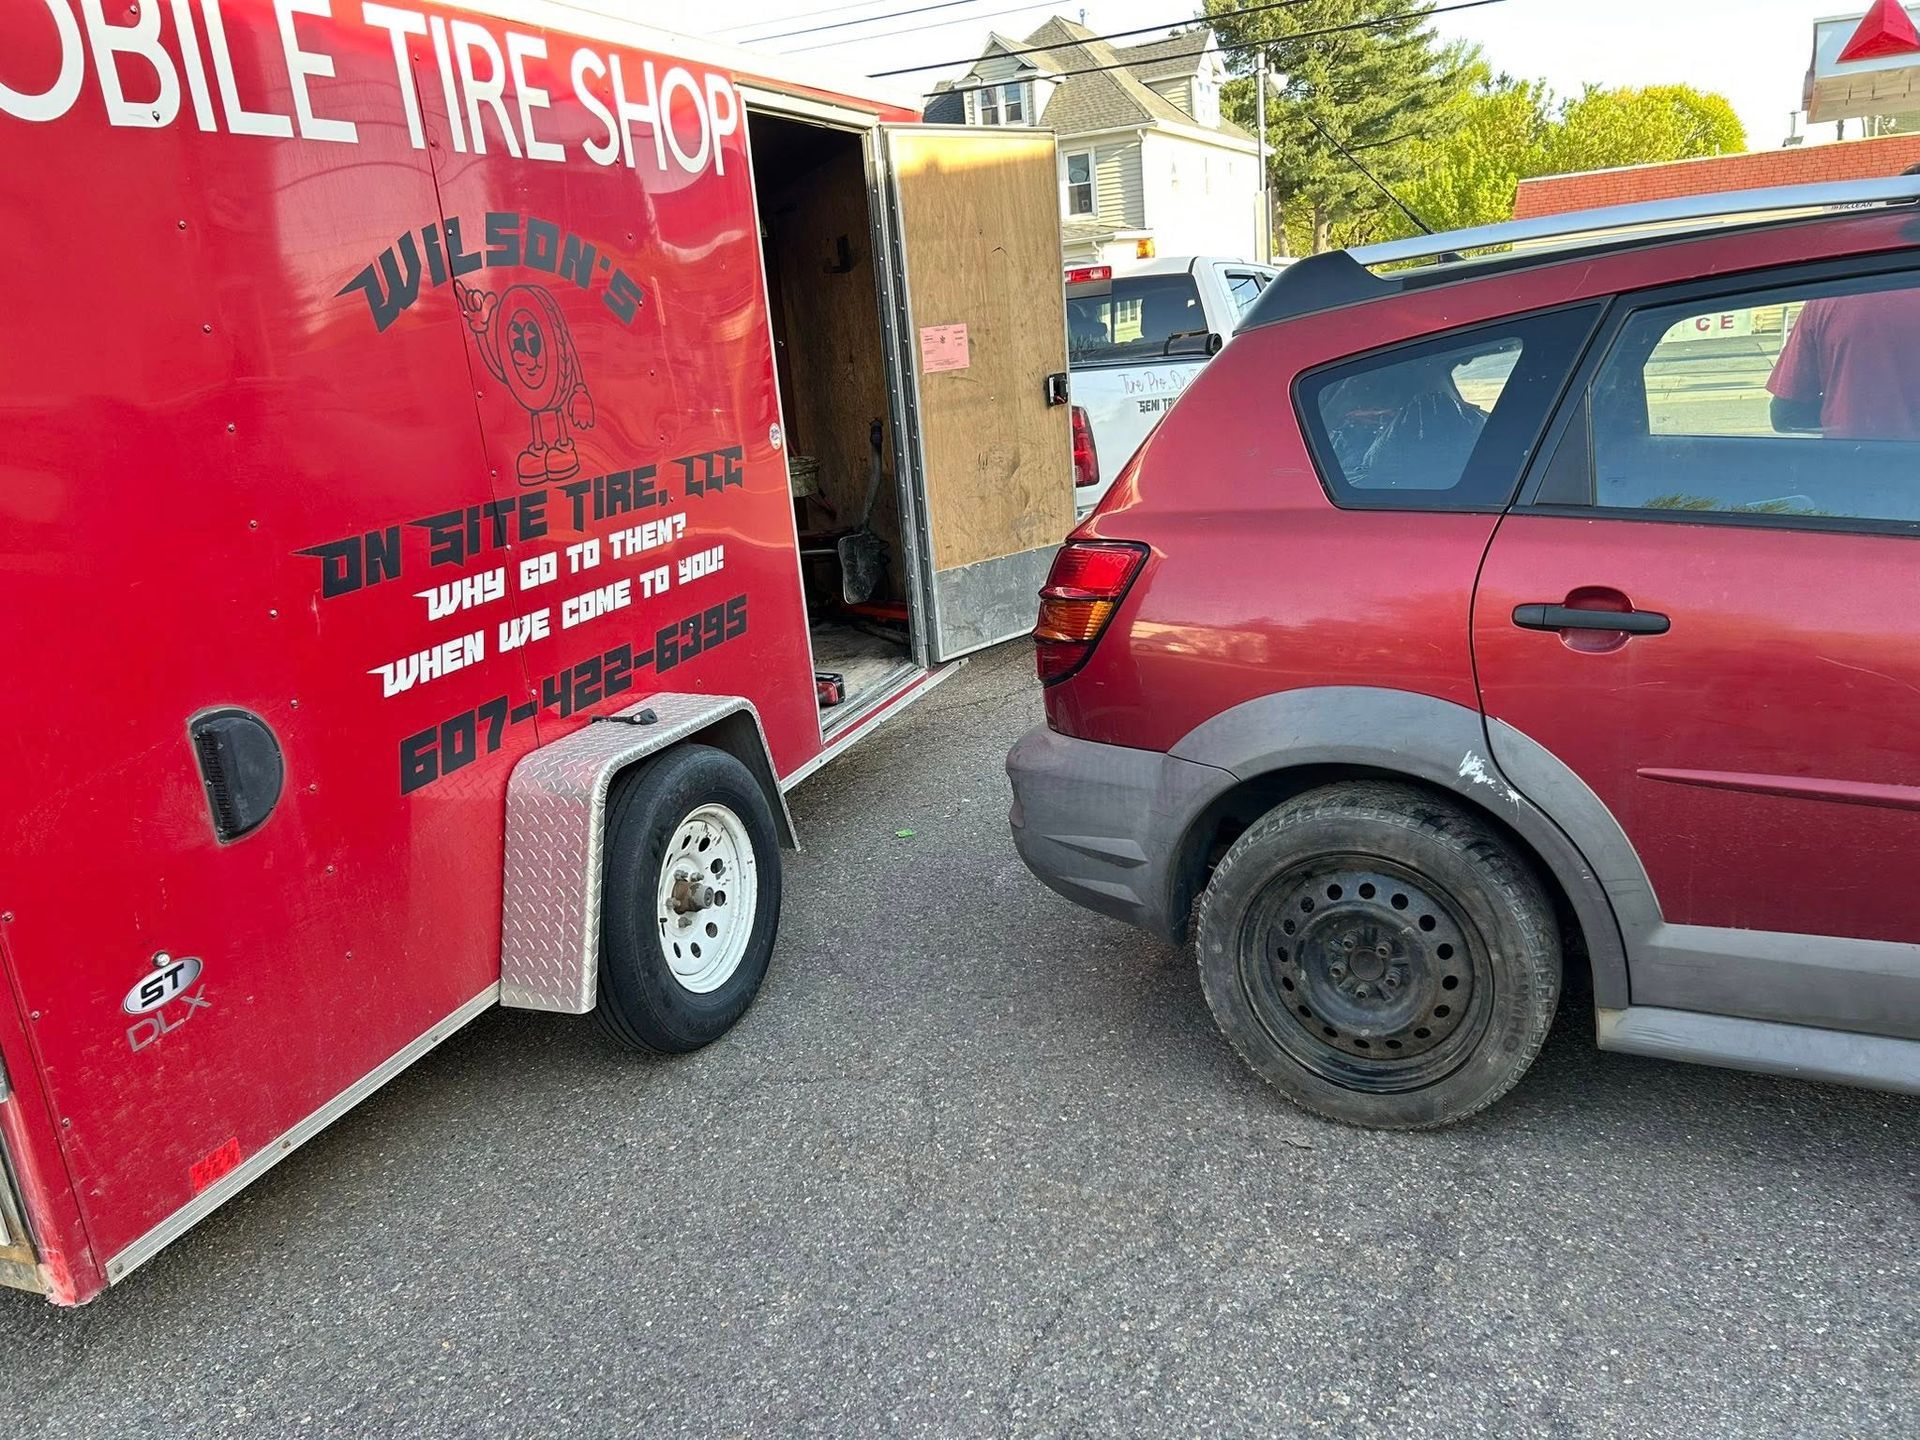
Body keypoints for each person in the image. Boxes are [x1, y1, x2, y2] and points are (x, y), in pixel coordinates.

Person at [1766, 163, 1920, 440]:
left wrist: (1847, 409)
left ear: (1893, 215)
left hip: (1855, 471)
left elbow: (1785, 414)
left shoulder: (1834, 296)